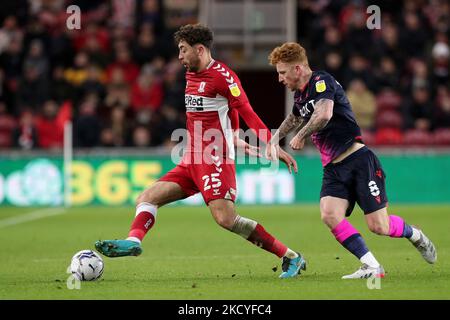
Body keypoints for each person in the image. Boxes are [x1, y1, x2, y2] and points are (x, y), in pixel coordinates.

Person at [95, 25, 306, 279]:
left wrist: (272, 144)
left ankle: (290, 256)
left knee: (226, 219)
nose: (180, 56)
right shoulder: (190, 74)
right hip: (191, 159)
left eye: (183, 50)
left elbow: (245, 109)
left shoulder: (223, 77)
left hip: (214, 158)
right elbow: (229, 110)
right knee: (147, 198)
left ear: (200, 50)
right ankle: (134, 241)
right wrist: (236, 136)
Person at [266, 42, 437, 279]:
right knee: (329, 214)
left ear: (297, 69)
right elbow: (294, 118)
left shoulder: (321, 81)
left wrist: (301, 136)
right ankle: (372, 266)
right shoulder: (300, 96)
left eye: (282, 73)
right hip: (333, 168)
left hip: (358, 159)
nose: (280, 79)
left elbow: (324, 113)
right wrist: (274, 140)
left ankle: (415, 234)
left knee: (379, 226)